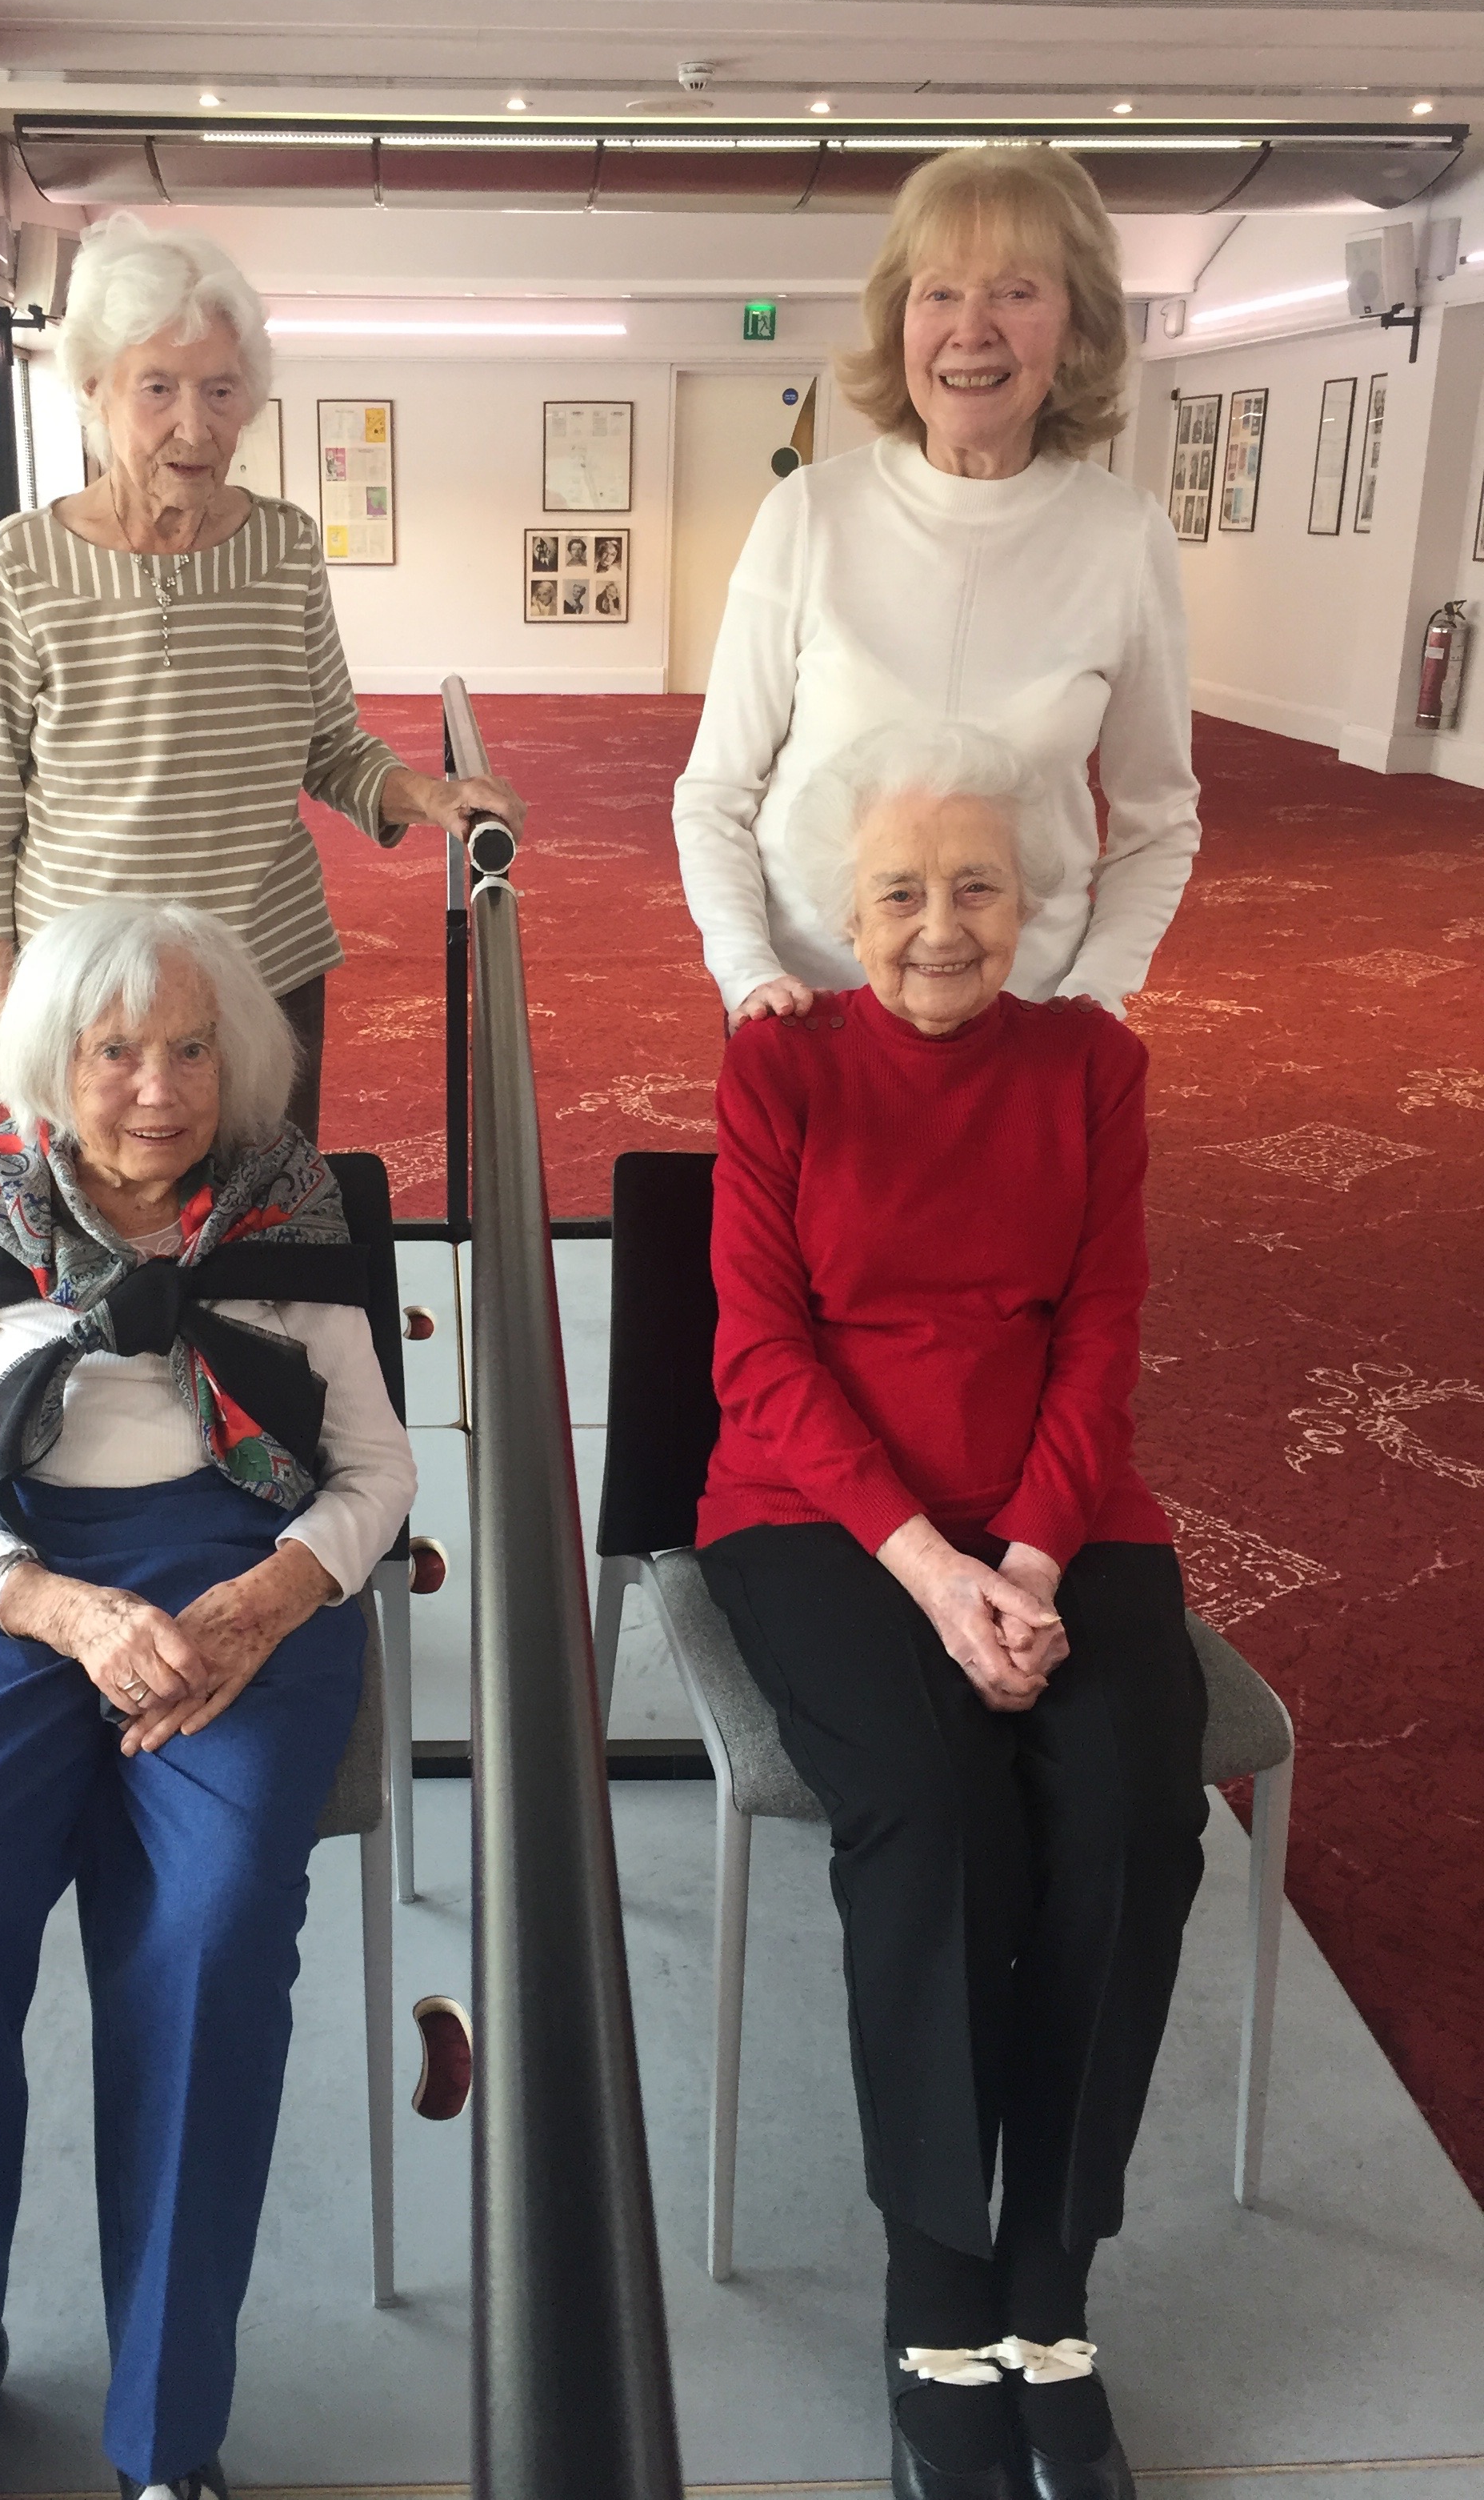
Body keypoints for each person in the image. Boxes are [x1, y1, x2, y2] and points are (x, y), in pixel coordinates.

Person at [0, 898, 417, 2500]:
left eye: (189, 1049)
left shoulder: (285, 1202)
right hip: (10, 1570)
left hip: (239, 1570)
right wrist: (63, 1610)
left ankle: (169, 2429)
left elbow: (375, 1473)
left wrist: (268, 1596)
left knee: (212, 1937)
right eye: (114, 1051)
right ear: (53, 1058)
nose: (157, 1089)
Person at [694, 727, 1206, 2500]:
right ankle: (933, 2293)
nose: (939, 926)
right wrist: (932, 1567)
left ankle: (1047, 2289)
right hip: (820, 1513)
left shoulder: (1092, 1067)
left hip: (1058, 1512)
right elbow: (759, 1354)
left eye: (976, 886)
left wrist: (1038, 1562)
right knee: (936, 1813)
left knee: (1131, 1812)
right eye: (900, 892)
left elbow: (1102, 1328)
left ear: (1033, 902)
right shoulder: (781, 1067)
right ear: (844, 917)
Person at [0, 214, 523, 1135]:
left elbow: (331, 747)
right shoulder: (23, 561)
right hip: (88, 984)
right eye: (158, 387)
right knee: (105, 1219)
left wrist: (431, 796)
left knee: (268, 1207)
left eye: (221, 389)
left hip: (262, 963)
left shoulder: (283, 548)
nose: (195, 424)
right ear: (94, 386)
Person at [673, 145, 1198, 1034]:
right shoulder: (812, 514)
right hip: (812, 1010)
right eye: (941, 293)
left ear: (1077, 328)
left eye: (1016, 293)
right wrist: (748, 973)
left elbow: (1159, 821)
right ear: (900, 321)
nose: (972, 329)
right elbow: (716, 793)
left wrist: (1092, 995)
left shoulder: (1123, 535)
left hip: (1025, 1016)